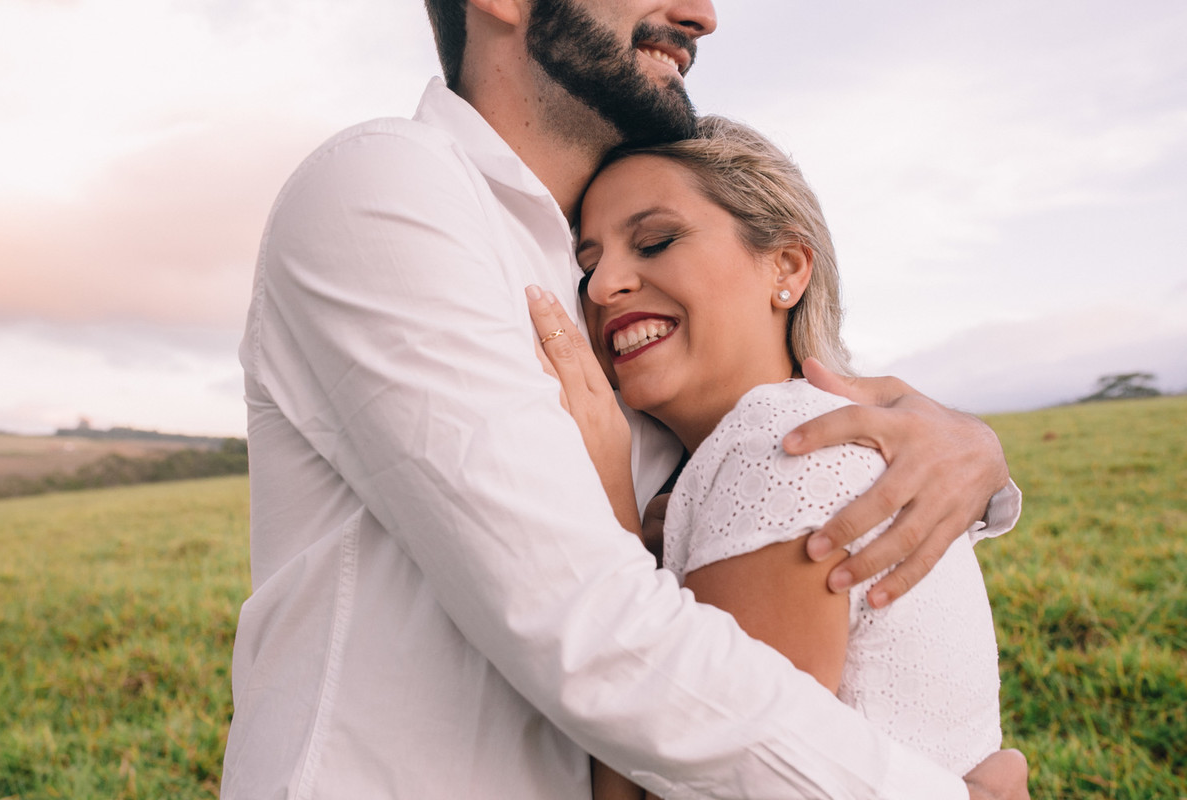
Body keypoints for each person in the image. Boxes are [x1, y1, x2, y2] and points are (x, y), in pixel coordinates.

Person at [220, 1, 1027, 797]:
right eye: (593, 261)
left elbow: (777, 462)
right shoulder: (391, 185)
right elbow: (587, 624)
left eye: (653, 242)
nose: (702, 15)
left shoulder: (636, 334)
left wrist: (970, 451)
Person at [527, 116, 1005, 800]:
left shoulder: (780, 448)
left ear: (786, 268)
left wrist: (612, 528)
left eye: (655, 241)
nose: (603, 287)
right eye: (587, 266)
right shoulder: (771, 444)